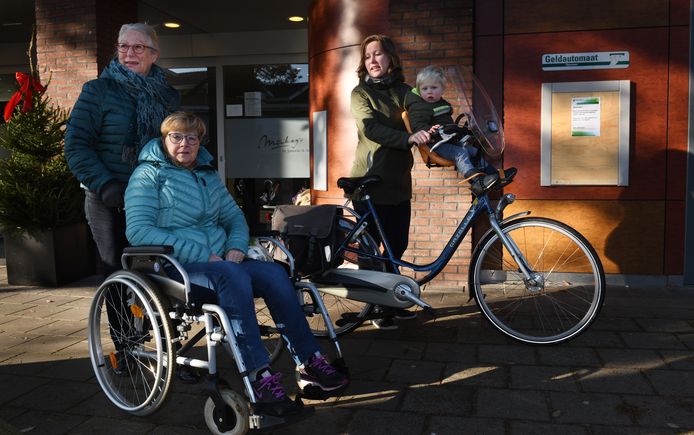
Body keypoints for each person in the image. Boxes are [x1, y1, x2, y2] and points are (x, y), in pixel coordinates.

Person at [124, 111, 349, 417]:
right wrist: (204, 255)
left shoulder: (207, 175)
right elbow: (139, 230)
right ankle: (258, 377)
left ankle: (309, 362)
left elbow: (234, 218)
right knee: (232, 276)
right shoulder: (148, 176)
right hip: (173, 266)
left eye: (192, 138)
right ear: (164, 140)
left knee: (273, 272)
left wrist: (235, 246)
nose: (185, 144)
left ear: (200, 141)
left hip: (222, 264)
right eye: (176, 136)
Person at [64, 22, 180, 277]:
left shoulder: (168, 97)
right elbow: (76, 146)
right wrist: (106, 185)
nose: (129, 53)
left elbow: (176, 145)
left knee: (155, 270)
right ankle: (121, 319)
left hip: (154, 196)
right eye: (124, 46)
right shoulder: (98, 90)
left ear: (154, 54)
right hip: (108, 197)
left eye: (138, 47)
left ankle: (151, 318)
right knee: (117, 271)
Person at [348, 34, 431, 329]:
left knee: (397, 246)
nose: (372, 60)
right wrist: (408, 137)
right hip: (369, 183)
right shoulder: (360, 94)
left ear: (391, 59)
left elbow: (420, 108)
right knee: (373, 250)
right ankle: (377, 306)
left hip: (397, 183)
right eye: (368, 56)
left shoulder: (404, 90)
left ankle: (388, 304)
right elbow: (371, 129)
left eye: (378, 54)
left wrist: (424, 130)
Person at [409, 65, 500, 196]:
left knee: (474, 151)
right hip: (434, 144)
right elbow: (417, 125)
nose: (429, 92)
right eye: (424, 89)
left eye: (434, 88)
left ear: (442, 90)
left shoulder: (441, 104)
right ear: (419, 90)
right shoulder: (420, 107)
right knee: (460, 153)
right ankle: (476, 180)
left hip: (447, 139)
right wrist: (428, 130)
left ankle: (493, 175)